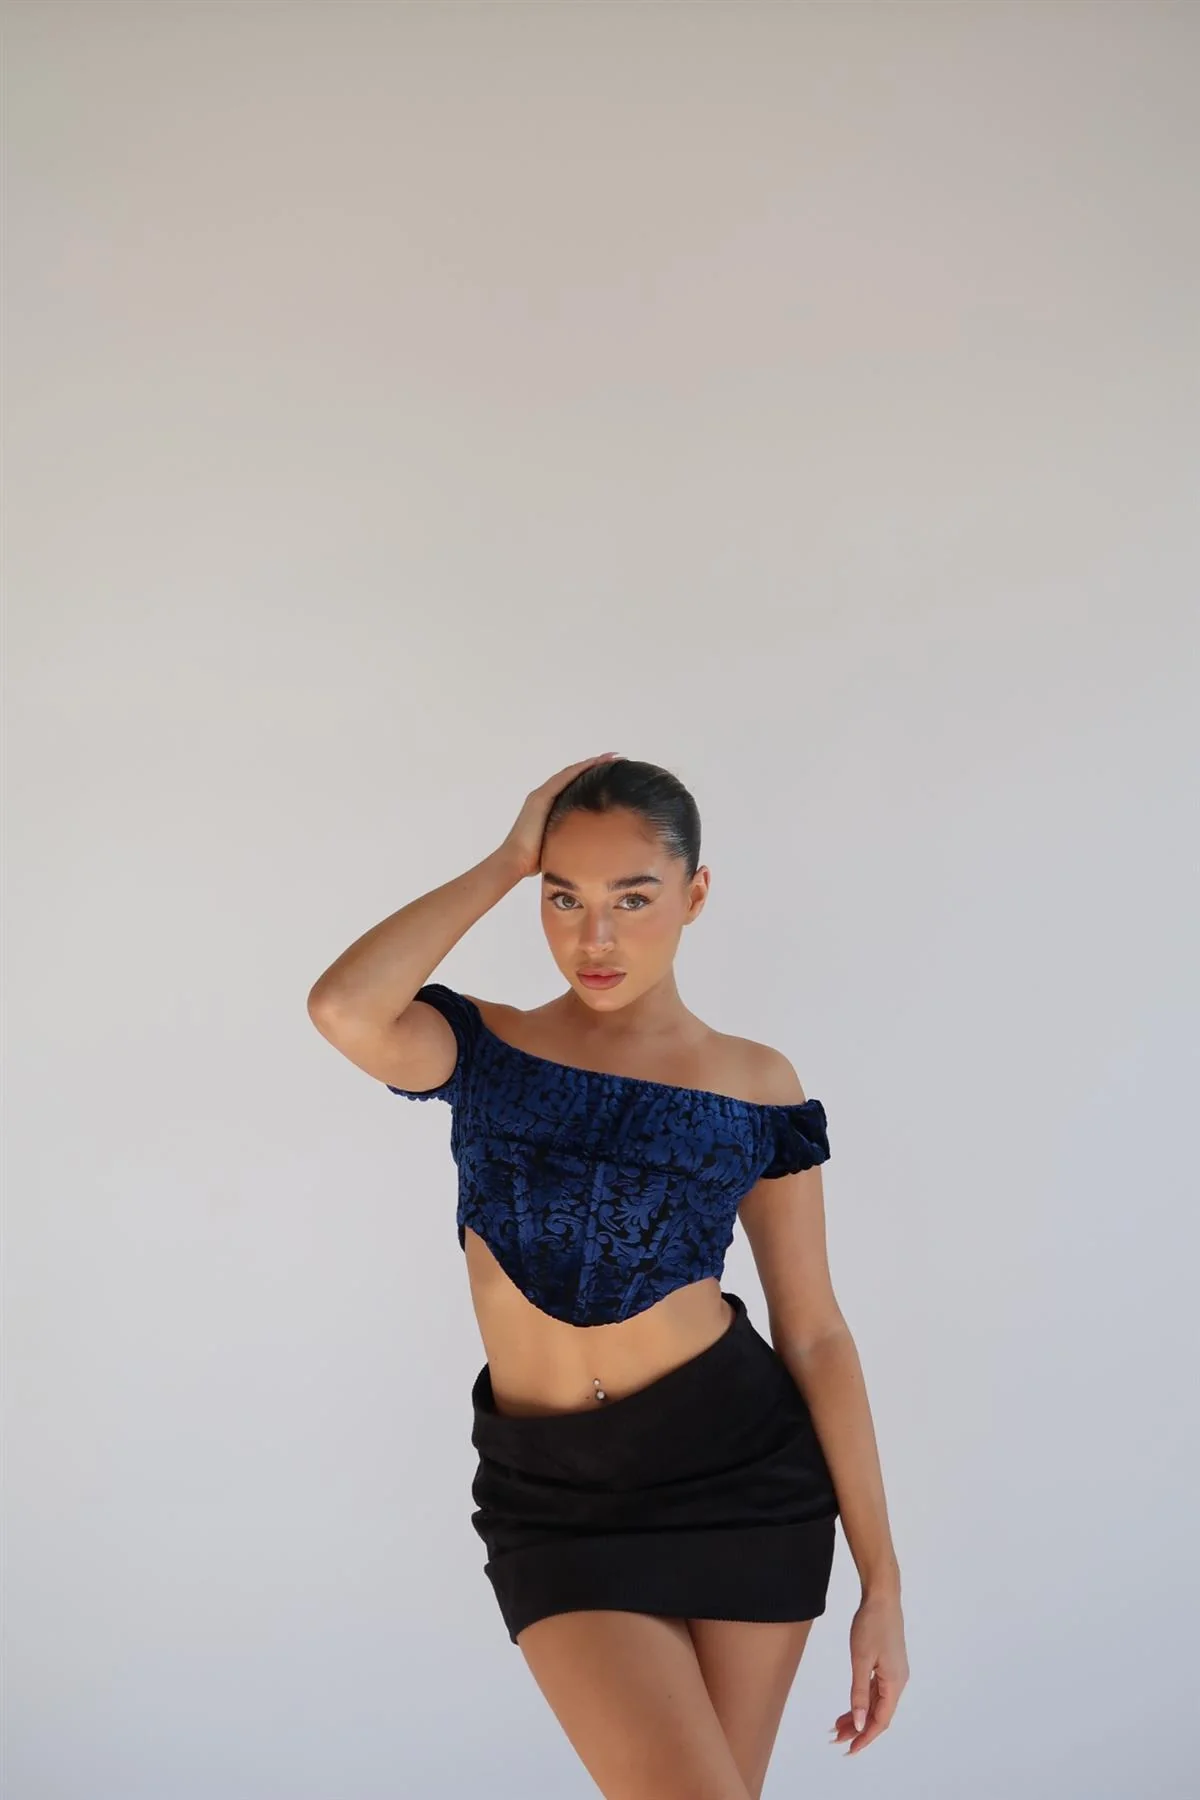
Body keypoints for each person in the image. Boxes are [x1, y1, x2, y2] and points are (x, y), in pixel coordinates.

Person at [307, 753, 908, 1798]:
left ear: (695, 895)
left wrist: (882, 1582)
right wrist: (506, 858)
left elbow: (813, 1330)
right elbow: (344, 1009)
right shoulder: (483, 1049)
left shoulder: (757, 1086)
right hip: (555, 1498)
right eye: (564, 899)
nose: (596, 938)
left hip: (744, 1480)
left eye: (633, 898)